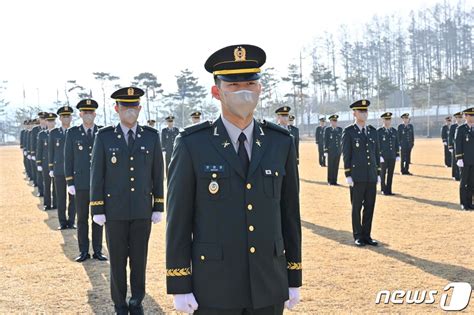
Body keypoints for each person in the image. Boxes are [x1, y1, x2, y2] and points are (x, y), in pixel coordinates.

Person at [166, 44, 302, 315]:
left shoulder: (280, 142)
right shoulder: (193, 144)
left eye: (251, 83)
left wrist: (294, 276)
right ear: (216, 92)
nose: (244, 91)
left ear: (261, 89)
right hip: (214, 287)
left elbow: (289, 215)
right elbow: (179, 218)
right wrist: (179, 283)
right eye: (234, 84)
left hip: (269, 283)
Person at [90, 87, 165, 314]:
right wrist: (98, 207)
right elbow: (97, 175)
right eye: (125, 106)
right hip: (115, 211)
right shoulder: (104, 137)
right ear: (117, 109)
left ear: (140, 109)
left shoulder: (151, 136)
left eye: (134, 106)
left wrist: (158, 205)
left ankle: (137, 301)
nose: (130, 111)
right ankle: (120, 303)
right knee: (118, 261)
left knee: (139, 261)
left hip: (142, 210)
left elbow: (157, 174)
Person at [64, 99, 106, 262]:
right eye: (85, 112)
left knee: (98, 217)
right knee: (82, 219)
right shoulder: (73, 133)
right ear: (80, 114)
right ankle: (83, 251)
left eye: (91, 112)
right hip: (80, 184)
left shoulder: (102, 132)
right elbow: (68, 158)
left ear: (95, 114)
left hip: (98, 185)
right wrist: (70, 182)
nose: (88, 115)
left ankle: (97, 250)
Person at [342, 99, 381, 247]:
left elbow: (376, 153)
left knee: (370, 206)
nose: (364, 114)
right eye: (361, 111)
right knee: (357, 207)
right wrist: (348, 174)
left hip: (371, 175)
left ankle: (367, 235)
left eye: (366, 111)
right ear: (354, 113)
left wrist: (378, 173)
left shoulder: (372, 131)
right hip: (357, 176)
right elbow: (346, 154)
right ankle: (358, 235)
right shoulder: (349, 132)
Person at [49, 105, 76, 229]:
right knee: (61, 197)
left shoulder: (75, 132)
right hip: (59, 170)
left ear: (71, 118)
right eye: (64, 116)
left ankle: (71, 221)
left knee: (73, 198)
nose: (66, 118)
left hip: (74, 170)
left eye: (68, 116)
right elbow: (51, 151)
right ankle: (62, 222)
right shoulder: (54, 133)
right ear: (60, 118)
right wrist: (50, 168)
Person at [36, 112, 58, 210]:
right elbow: (39, 149)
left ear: (55, 122)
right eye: (49, 121)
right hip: (45, 163)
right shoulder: (42, 134)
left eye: (52, 121)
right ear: (46, 121)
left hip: (57, 163)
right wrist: (39, 162)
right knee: (47, 184)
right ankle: (47, 204)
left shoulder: (59, 133)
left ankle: (56, 204)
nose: (50, 123)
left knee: (56, 185)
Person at [455, 108, 474, 211]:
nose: (473, 118)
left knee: (472, 182)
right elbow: (457, 144)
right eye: (471, 116)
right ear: (466, 116)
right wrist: (459, 158)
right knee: (464, 183)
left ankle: (470, 203)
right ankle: (463, 203)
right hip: (464, 160)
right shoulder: (461, 129)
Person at [377, 112, 400, 195]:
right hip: (383, 156)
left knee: (390, 174)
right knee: (383, 174)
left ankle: (389, 190)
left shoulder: (394, 131)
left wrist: (397, 154)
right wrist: (379, 155)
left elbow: (396, 143)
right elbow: (377, 145)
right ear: (383, 120)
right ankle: (383, 189)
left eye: (389, 119)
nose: (388, 121)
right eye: (386, 119)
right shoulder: (379, 131)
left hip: (392, 156)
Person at [29, 112, 47, 196]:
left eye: (44, 119)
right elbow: (32, 142)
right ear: (39, 119)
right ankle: (41, 191)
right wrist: (32, 154)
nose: (43, 121)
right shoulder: (35, 130)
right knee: (39, 174)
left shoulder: (50, 128)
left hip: (48, 155)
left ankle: (48, 192)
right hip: (38, 154)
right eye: (41, 119)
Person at [323, 114, 342, 185]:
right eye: (333, 121)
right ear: (330, 122)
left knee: (336, 166)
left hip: (338, 151)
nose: (335, 122)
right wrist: (325, 150)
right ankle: (330, 181)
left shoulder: (340, 129)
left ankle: (335, 180)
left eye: (336, 121)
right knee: (330, 166)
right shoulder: (327, 130)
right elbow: (326, 140)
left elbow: (341, 141)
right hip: (330, 151)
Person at [449, 112, 463, 181]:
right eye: (458, 118)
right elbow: (450, 137)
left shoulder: (463, 126)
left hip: (462, 147)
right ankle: (455, 175)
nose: (459, 119)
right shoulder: (453, 126)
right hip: (455, 146)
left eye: (460, 117)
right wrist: (450, 146)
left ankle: (461, 175)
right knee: (455, 161)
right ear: (456, 118)